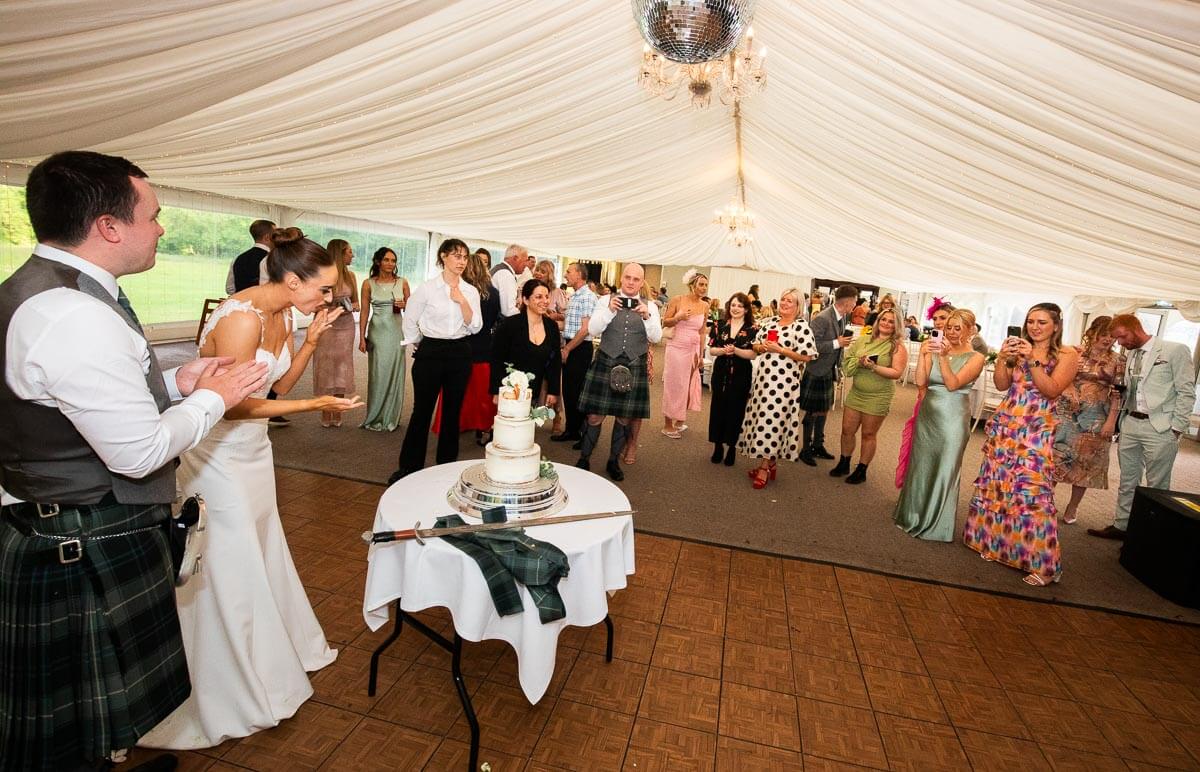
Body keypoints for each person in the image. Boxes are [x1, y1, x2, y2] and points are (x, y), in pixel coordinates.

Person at [0, 150, 269, 771]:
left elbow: (81, 398)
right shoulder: (72, 313)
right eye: (153, 215)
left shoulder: (45, 292)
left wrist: (176, 382)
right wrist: (213, 398)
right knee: (69, 728)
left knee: (81, 716)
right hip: (81, 541)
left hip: (61, 524)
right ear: (109, 226)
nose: (162, 228)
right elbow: (138, 451)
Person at [140, 228, 360, 749]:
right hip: (219, 454)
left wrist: (310, 342)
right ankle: (224, 680)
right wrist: (314, 406)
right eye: (324, 289)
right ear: (292, 281)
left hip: (255, 451)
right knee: (226, 557)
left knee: (260, 547)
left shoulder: (286, 314)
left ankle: (269, 654)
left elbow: (277, 387)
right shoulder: (241, 318)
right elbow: (233, 405)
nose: (328, 298)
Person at [963, 303, 1079, 587]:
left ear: (1056, 326)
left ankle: (1044, 565)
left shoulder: (1067, 354)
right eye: (1030, 321)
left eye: (1042, 322)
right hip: (1007, 425)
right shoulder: (1019, 349)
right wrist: (1003, 359)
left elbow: (1051, 390)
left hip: (1036, 429)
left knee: (1032, 491)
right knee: (1000, 484)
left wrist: (1033, 360)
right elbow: (1002, 385)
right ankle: (996, 546)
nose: (1034, 327)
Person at [1089, 313, 1195, 540]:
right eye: (1117, 339)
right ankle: (1122, 526)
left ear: (1135, 328)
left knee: (1157, 484)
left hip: (1160, 427)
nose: (1120, 343)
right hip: (1130, 424)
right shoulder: (1131, 355)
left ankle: (1150, 535)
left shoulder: (1174, 350)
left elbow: (1186, 391)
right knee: (1128, 479)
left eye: (1122, 337)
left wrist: (1176, 428)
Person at [389, 239, 482, 482]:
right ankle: (409, 467)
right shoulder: (427, 288)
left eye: (465, 257)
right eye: (457, 256)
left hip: (460, 352)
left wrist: (461, 300)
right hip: (430, 351)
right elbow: (410, 319)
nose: (462, 262)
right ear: (443, 256)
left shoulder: (470, 291)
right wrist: (417, 341)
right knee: (421, 410)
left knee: (452, 413)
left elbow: (476, 326)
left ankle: (446, 467)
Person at [893, 309, 986, 540]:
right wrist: (924, 355)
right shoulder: (936, 348)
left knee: (945, 467)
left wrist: (943, 357)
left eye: (957, 328)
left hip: (953, 419)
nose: (951, 332)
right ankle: (911, 515)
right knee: (921, 464)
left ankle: (936, 525)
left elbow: (953, 384)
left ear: (970, 330)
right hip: (928, 416)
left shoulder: (976, 358)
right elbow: (921, 382)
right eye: (949, 327)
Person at [576, 263, 662, 481]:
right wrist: (609, 311)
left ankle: (613, 461)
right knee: (594, 416)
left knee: (624, 418)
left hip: (634, 365)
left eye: (636, 279)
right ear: (621, 278)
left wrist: (647, 317)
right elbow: (593, 330)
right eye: (628, 277)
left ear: (642, 283)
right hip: (606, 361)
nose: (631, 282)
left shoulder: (651, 306)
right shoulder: (605, 300)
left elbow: (656, 337)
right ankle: (584, 458)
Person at [739, 289, 818, 488]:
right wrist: (762, 346)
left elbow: (807, 356)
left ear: (798, 306)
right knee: (762, 419)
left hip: (784, 385)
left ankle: (764, 467)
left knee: (773, 422)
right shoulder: (770, 322)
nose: (784, 303)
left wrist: (781, 350)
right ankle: (770, 463)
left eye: (790, 301)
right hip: (763, 382)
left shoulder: (801, 327)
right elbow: (755, 346)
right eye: (783, 299)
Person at [1049, 316, 1124, 524]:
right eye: (1103, 334)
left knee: (1086, 464)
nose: (1108, 339)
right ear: (1092, 333)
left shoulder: (1118, 360)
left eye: (1111, 335)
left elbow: (1118, 393)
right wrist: (1068, 387)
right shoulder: (1073, 353)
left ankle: (1073, 506)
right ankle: (1047, 501)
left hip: (1096, 417)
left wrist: (1111, 421)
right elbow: (1056, 378)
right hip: (1066, 412)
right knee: (1056, 457)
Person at [830, 308, 909, 484]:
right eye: (883, 319)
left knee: (868, 434)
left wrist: (873, 367)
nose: (886, 323)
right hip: (856, 393)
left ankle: (861, 470)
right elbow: (847, 361)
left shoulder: (897, 347)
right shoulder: (863, 340)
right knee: (847, 430)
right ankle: (844, 462)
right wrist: (859, 362)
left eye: (891, 321)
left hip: (878, 396)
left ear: (896, 326)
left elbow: (896, 373)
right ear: (878, 321)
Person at [432, 248, 501, 444]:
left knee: (457, 391)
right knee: (482, 394)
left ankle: (455, 424)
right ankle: (485, 427)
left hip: (462, 345)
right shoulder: (493, 293)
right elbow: (495, 318)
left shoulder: (462, 292)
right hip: (485, 346)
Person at [894, 298, 954, 487]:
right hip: (928, 400)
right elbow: (922, 380)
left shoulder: (961, 347)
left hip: (951, 406)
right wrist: (924, 354)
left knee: (942, 452)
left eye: (943, 318)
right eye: (935, 318)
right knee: (920, 447)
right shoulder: (929, 344)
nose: (938, 322)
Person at [798, 284, 858, 465]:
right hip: (816, 370)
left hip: (828, 369)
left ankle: (818, 445)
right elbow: (811, 346)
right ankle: (805, 449)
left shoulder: (842, 316)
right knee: (812, 411)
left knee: (823, 410)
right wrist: (836, 343)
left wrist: (840, 345)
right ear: (847, 303)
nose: (855, 305)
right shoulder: (822, 318)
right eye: (854, 302)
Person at [358, 247, 410, 432]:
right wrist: (362, 337)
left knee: (395, 372)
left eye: (393, 260)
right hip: (377, 333)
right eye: (387, 260)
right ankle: (374, 415)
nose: (390, 263)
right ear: (378, 262)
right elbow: (364, 312)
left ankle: (391, 417)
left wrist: (405, 304)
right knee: (378, 374)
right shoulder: (368, 283)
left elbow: (412, 309)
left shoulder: (402, 282)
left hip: (396, 332)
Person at [491, 279, 561, 412]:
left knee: (532, 424)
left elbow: (555, 361)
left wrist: (553, 391)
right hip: (510, 391)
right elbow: (497, 359)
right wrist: (496, 391)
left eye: (547, 296)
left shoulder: (552, 327)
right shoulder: (509, 325)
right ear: (526, 300)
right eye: (539, 297)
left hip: (538, 392)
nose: (545, 301)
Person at [708, 292, 757, 466]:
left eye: (740, 306)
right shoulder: (719, 325)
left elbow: (753, 354)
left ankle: (731, 447)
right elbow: (712, 349)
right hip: (721, 371)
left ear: (746, 309)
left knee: (736, 411)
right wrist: (723, 351)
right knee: (718, 408)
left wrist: (735, 350)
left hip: (741, 373)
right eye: (733, 305)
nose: (735, 308)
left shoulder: (753, 328)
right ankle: (718, 445)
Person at [313, 239, 358, 427]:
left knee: (342, 366)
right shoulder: (321, 274)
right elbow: (314, 304)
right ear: (340, 253)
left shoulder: (351, 276)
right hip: (326, 324)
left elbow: (356, 303)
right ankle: (326, 409)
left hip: (346, 326)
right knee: (325, 366)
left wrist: (350, 306)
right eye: (349, 252)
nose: (352, 255)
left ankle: (338, 410)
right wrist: (333, 306)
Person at [552, 262, 597, 447]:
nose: (565, 275)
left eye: (568, 272)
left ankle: (580, 432)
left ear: (579, 275)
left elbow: (585, 329)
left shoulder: (587, 296)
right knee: (569, 391)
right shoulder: (575, 296)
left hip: (579, 348)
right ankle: (572, 429)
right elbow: (569, 325)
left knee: (577, 392)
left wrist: (567, 349)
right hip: (572, 345)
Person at [660, 269, 708, 438]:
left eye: (706, 285)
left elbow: (702, 332)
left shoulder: (705, 305)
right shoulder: (678, 300)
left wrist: (701, 354)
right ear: (692, 285)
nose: (704, 288)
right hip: (676, 347)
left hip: (693, 349)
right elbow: (665, 322)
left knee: (688, 384)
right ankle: (667, 424)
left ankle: (679, 420)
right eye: (701, 284)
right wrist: (678, 317)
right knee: (674, 385)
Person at [230, 219, 276, 293]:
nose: (277, 238)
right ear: (267, 237)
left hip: (241, 299)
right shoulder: (273, 259)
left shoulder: (238, 258)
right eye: (275, 235)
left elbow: (230, 288)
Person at [491, 243, 532, 317]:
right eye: (525, 261)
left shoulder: (499, 269)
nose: (527, 265)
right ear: (515, 258)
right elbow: (509, 311)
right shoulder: (506, 274)